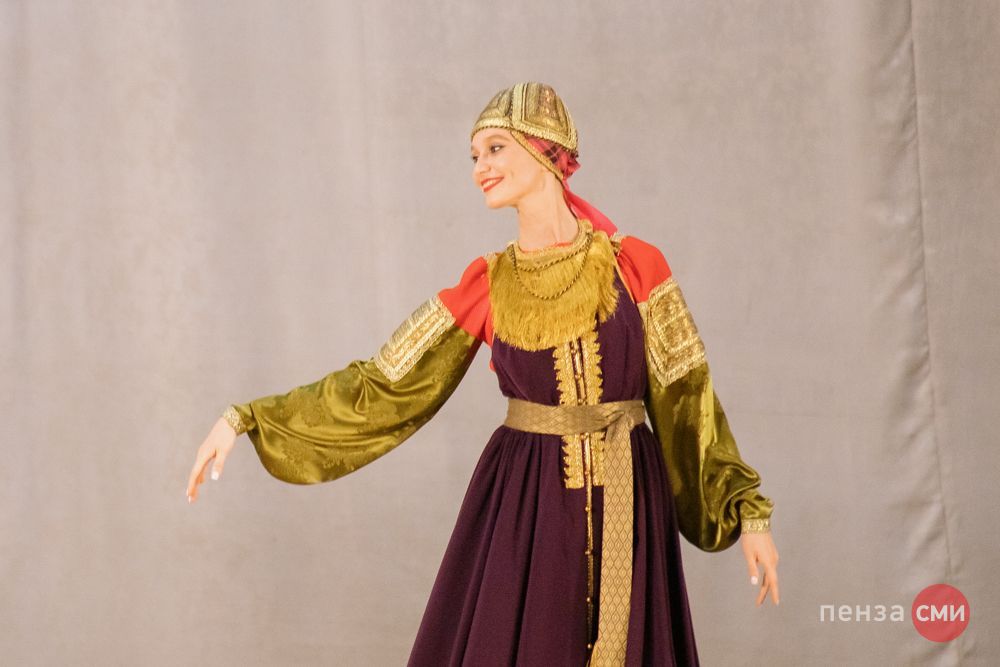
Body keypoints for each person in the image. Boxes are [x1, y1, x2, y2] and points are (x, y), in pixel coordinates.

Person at [186, 81, 780, 666]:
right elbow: (385, 385)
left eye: (495, 149)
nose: (480, 169)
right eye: (474, 156)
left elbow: (689, 397)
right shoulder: (488, 283)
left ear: (546, 150)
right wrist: (249, 419)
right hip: (530, 503)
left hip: (630, 496)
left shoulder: (637, 266)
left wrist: (743, 510)